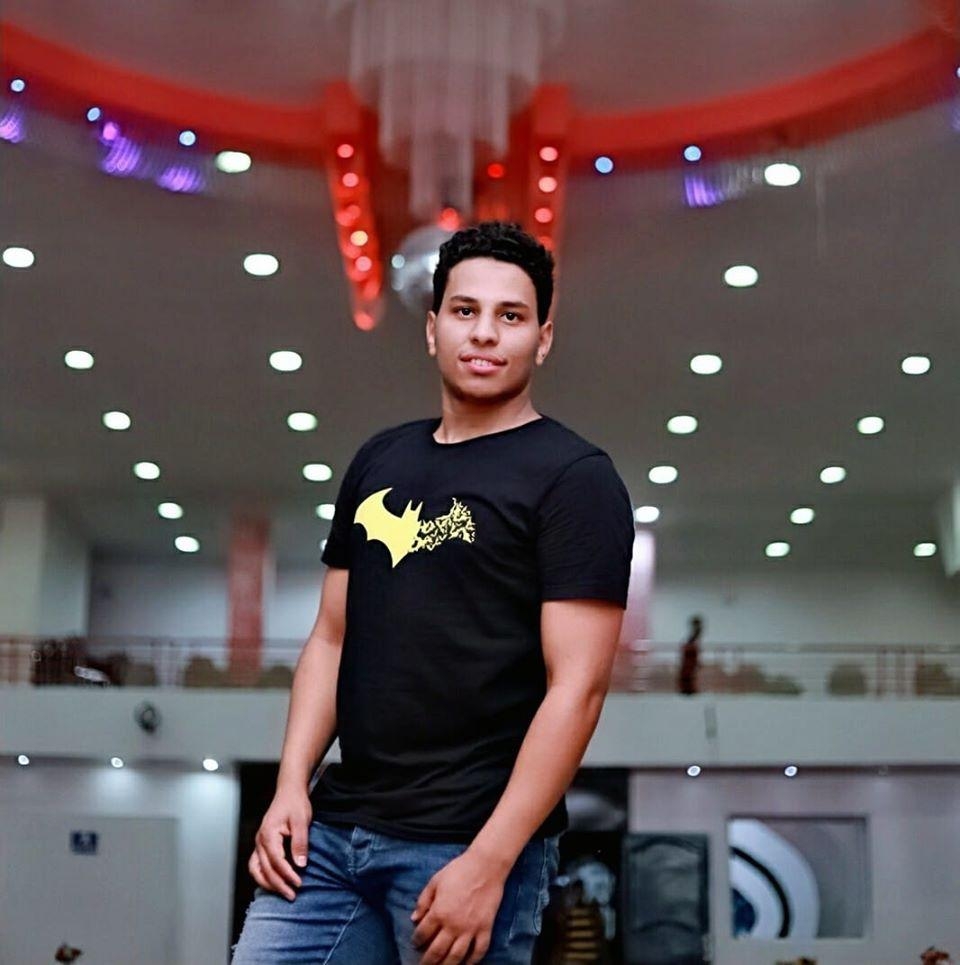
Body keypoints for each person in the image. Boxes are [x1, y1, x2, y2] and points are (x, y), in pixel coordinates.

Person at [232, 221, 635, 964]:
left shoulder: (576, 479)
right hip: (333, 834)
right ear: (432, 327)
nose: (484, 333)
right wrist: (291, 785)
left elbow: (577, 689)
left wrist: (492, 859)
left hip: (465, 841)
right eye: (464, 310)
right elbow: (330, 637)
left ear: (543, 338)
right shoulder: (379, 459)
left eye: (511, 316)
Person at [677, 615, 704, 696]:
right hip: (688, 663)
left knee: (688, 675)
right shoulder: (691, 641)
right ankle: (687, 689)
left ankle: (688, 689)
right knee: (687, 675)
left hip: (689, 663)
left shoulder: (693, 641)